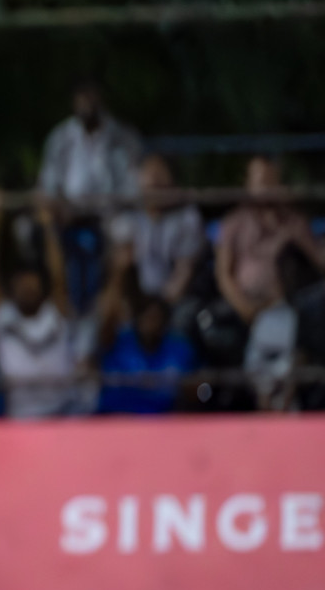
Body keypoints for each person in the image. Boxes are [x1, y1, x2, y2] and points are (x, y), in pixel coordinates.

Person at [216, 156, 325, 409]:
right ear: (248, 184)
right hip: (246, 307)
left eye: (271, 181)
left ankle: (282, 404)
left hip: (286, 305)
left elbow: (320, 261)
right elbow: (224, 275)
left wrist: (300, 238)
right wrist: (244, 308)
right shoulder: (234, 222)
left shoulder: (294, 221)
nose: (266, 187)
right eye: (260, 181)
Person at [37, 79, 142, 313]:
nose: (87, 102)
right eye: (81, 96)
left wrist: (110, 208)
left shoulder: (123, 136)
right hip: (68, 216)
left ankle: (113, 308)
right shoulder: (60, 137)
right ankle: (59, 303)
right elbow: (48, 184)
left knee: (128, 232)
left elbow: (134, 186)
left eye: (92, 95)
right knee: (37, 229)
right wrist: (58, 207)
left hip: (111, 216)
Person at [0, 187, 78, 418]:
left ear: (43, 288)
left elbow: (59, 276)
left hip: (62, 414)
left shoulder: (55, 315)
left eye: (33, 285)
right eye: (22, 285)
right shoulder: (3, 318)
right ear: (12, 289)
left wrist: (47, 224)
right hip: (21, 418)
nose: (28, 289)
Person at [96, 244, 196, 414]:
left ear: (165, 322)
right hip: (118, 420)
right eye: (146, 318)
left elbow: (195, 393)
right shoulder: (117, 341)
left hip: (165, 425)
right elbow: (107, 318)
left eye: (156, 318)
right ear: (137, 319)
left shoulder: (180, 349)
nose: (151, 323)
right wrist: (119, 273)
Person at [107, 154, 205, 305]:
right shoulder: (128, 215)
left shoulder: (187, 217)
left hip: (176, 300)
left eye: (161, 172)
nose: (154, 177)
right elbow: (122, 266)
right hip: (135, 299)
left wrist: (161, 306)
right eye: (149, 171)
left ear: (173, 181)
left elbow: (184, 270)